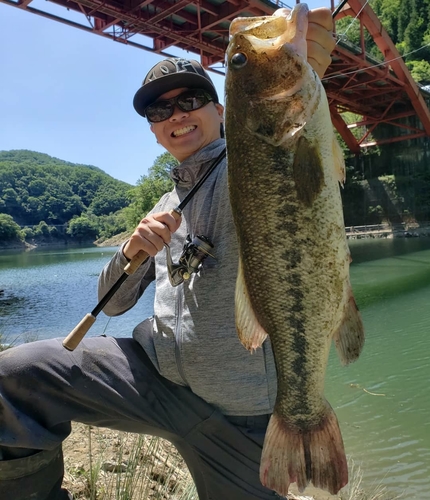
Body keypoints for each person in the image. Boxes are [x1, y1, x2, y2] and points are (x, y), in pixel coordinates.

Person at [0, 8, 336, 500]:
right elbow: (112, 306)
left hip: (236, 412)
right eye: (160, 111)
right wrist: (129, 255)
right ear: (154, 132)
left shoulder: (245, 165)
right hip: (153, 378)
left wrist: (302, 72)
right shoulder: (163, 204)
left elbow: (284, 145)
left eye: (192, 99)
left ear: (221, 110)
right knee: (16, 377)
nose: (177, 114)